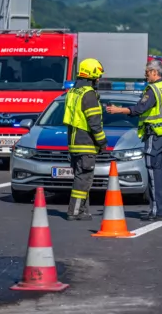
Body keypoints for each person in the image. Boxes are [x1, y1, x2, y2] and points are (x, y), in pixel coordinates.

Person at [106, 60, 162, 222]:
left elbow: (139, 109)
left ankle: (156, 210)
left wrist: (118, 110)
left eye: (147, 72)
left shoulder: (153, 89)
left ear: (155, 72)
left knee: (153, 171)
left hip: (155, 135)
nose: (145, 75)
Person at [63, 58, 108, 220]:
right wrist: (102, 143)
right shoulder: (89, 94)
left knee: (81, 178)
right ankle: (74, 212)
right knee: (83, 180)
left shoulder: (73, 92)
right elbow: (95, 123)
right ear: (92, 75)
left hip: (73, 143)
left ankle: (83, 211)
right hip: (86, 143)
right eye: (98, 76)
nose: (98, 79)